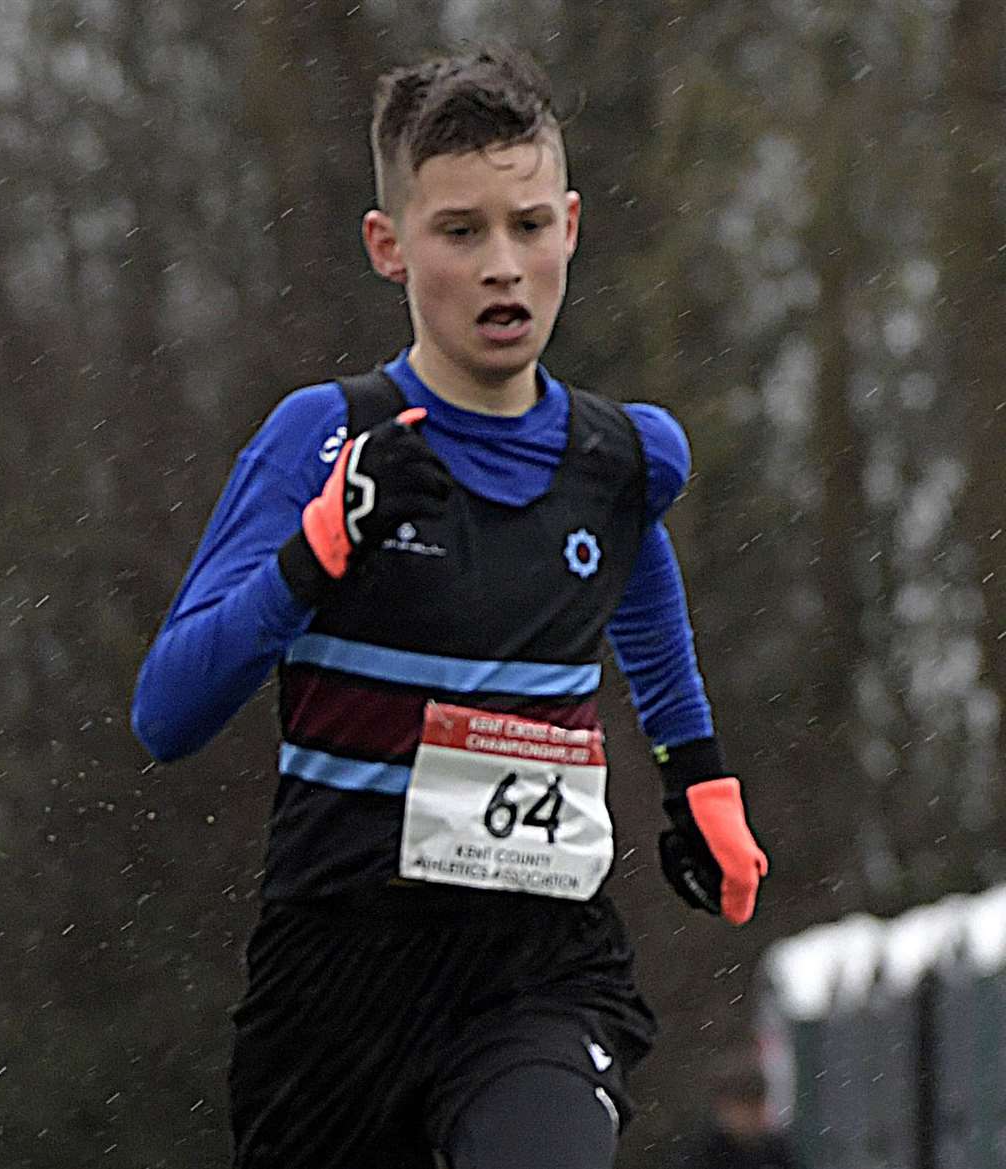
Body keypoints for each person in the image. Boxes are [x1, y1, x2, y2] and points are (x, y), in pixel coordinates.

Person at [131, 43, 769, 1169]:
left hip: (535, 974)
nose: (503, 267)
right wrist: (314, 551)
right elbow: (166, 713)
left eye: (529, 225)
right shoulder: (321, 439)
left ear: (572, 223)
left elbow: (639, 582)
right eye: (461, 231)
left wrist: (699, 773)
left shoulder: (621, 462)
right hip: (335, 980)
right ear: (389, 246)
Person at [665, 1050, 801, 1169]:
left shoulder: (776, 1149)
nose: (751, 1116)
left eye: (755, 1106)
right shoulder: (703, 1153)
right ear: (724, 1107)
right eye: (745, 1107)